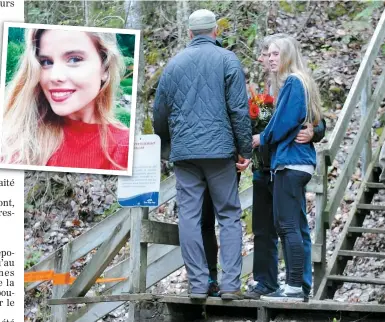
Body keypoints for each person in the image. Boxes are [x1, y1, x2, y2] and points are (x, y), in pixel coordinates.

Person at [153, 9, 252, 301]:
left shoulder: (173, 65)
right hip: (220, 152)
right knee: (229, 215)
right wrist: (244, 150)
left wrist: (168, 146)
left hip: (186, 156)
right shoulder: (228, 60)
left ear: (189, 34)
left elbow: (159, 112)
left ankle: (198, 284)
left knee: (189, 217)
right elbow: (239, 110)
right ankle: (230, 285)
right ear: (215, 32)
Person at [245, 34, 326, 301]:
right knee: (269, 228)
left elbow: (307, 120)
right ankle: (269, 283)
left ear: (287, 56)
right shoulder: (261, 89)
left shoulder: (294, 82)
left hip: (288, 161)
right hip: (267, 165)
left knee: (291, 226)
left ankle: (297, 286)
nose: (269, 58)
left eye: (274, 54)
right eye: (266, 54)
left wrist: (313, 132)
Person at [1, 28, 129, 171]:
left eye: (74, 59)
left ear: (105, 68)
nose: (54, 76)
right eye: (46, 62)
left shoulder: (124, 147)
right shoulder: (15, 139)